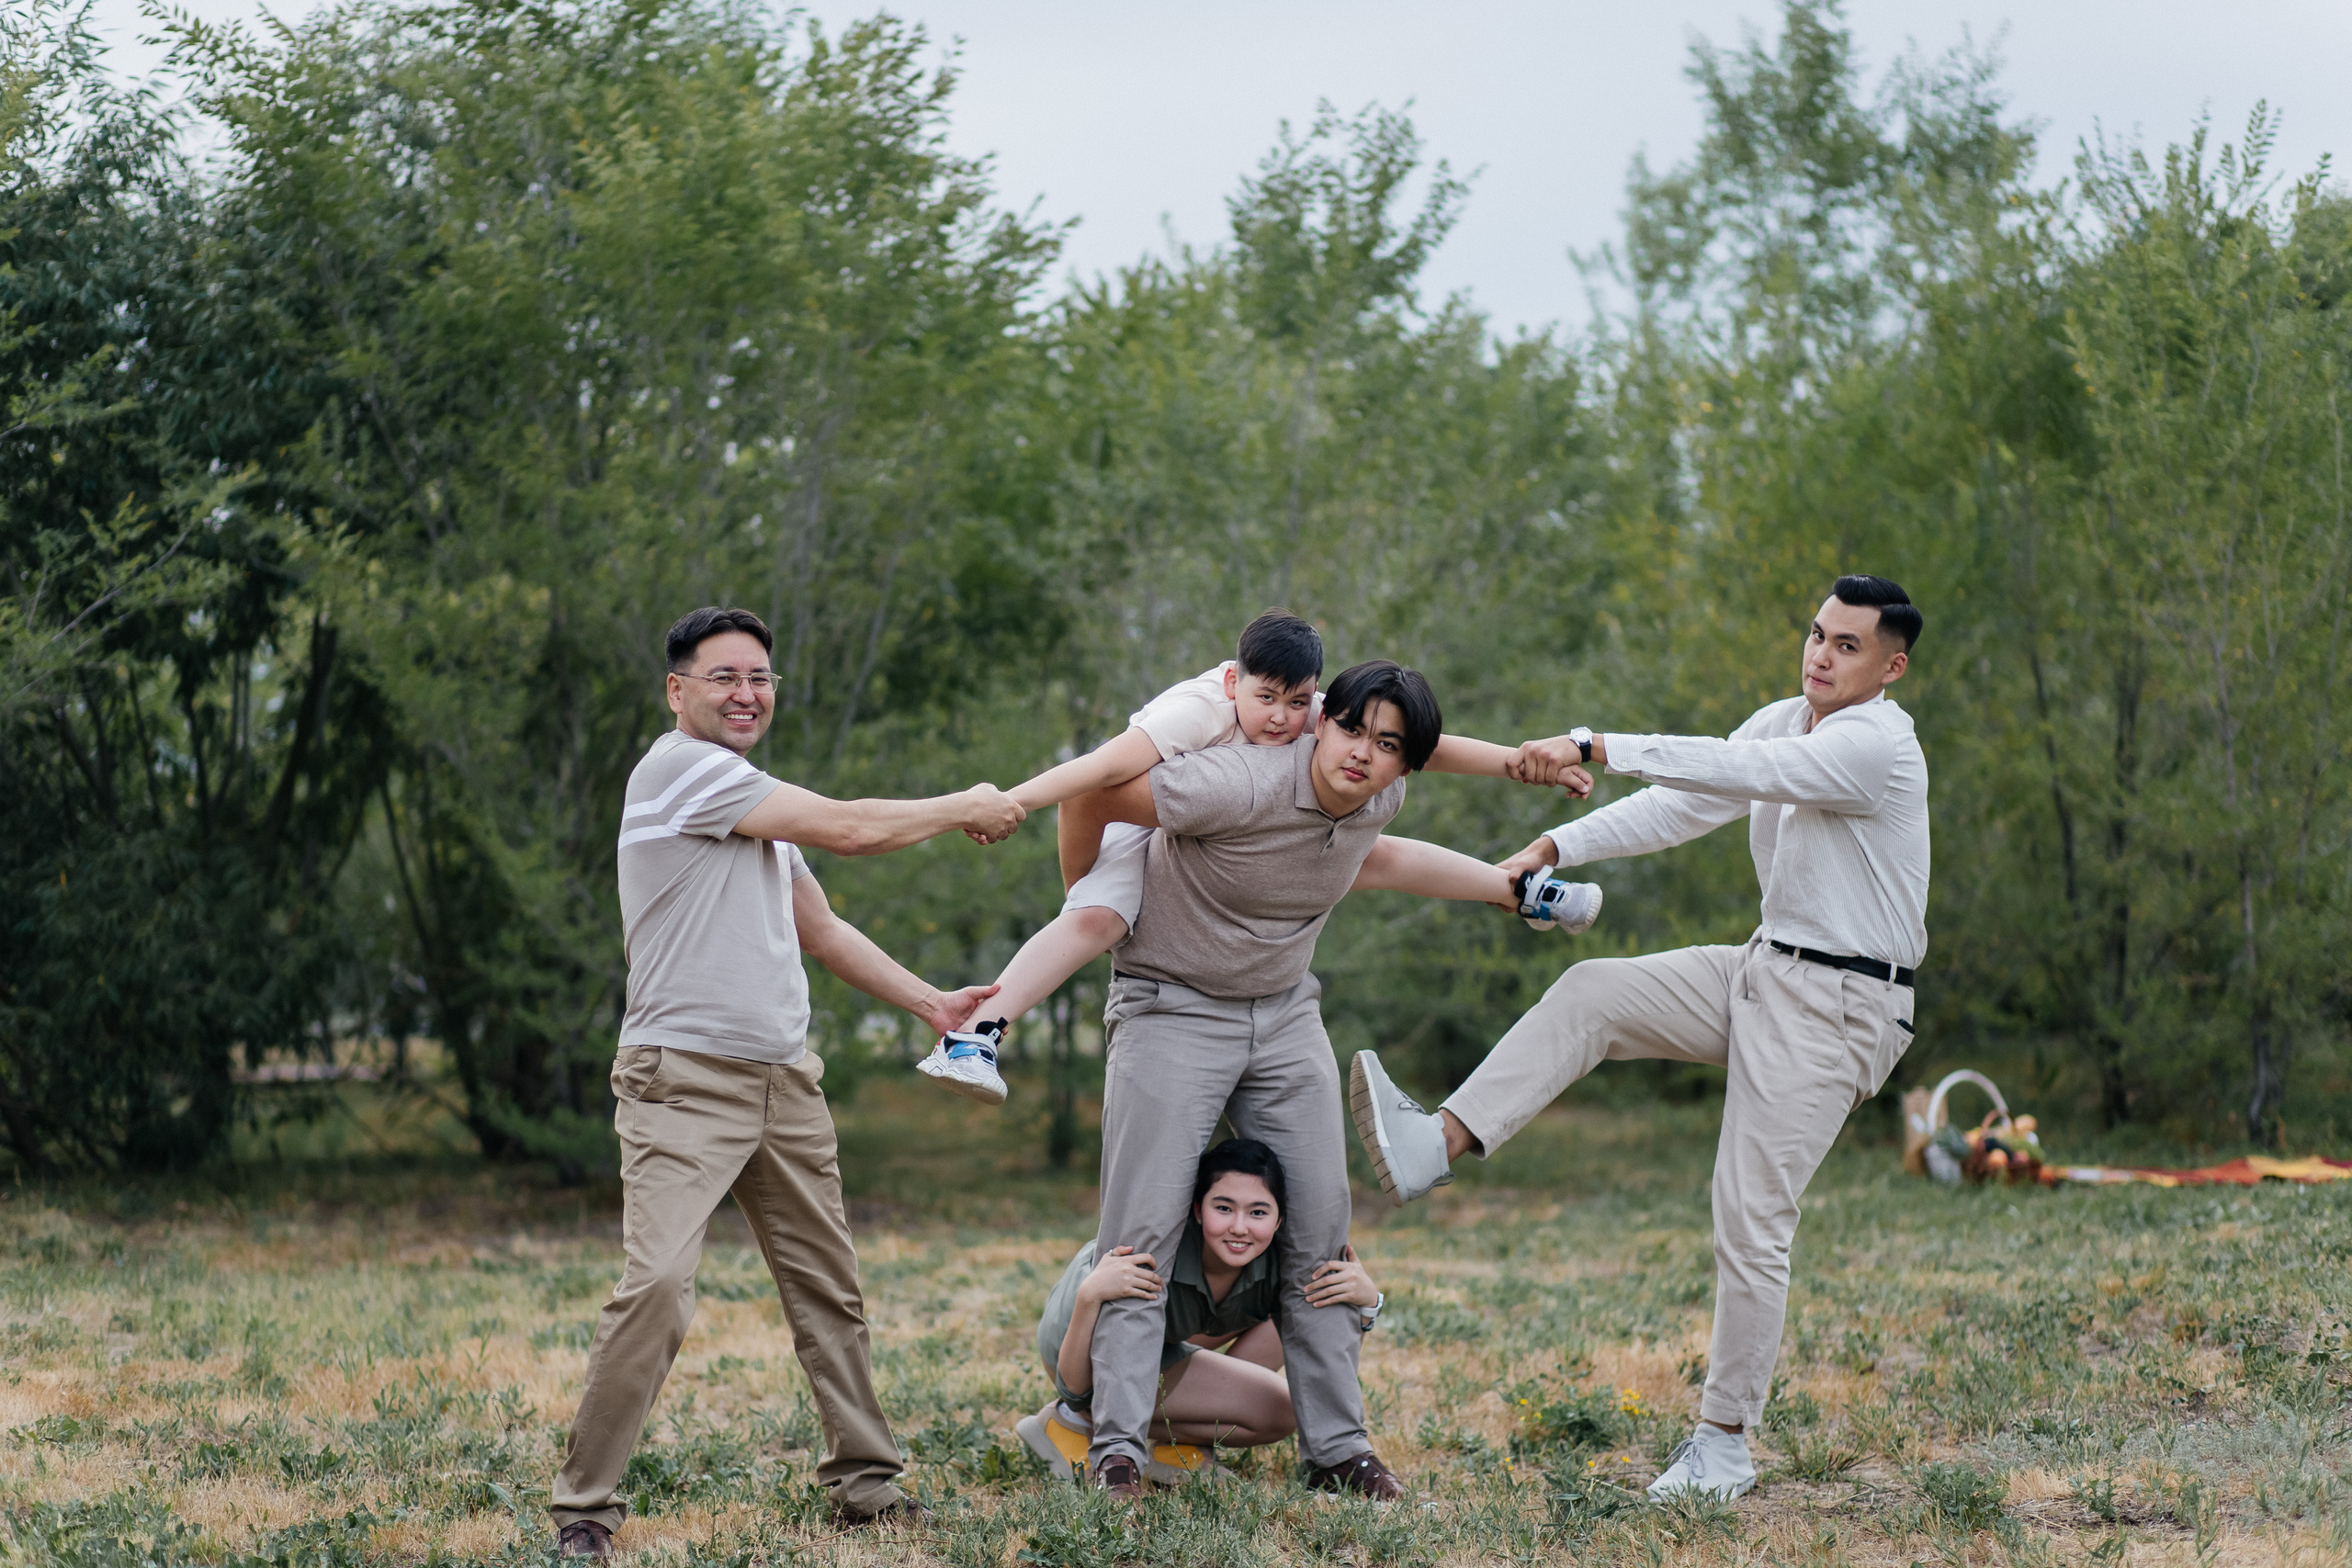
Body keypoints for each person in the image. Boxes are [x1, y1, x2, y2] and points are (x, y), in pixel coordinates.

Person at [1348, 575, 1929, 1505]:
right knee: (1595, 991)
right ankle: (1434, 1144)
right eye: (1816, 634)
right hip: (1764, 970)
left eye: (1846, 646)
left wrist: (1595, 745)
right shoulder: (1788, 718)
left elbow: (1733, 773)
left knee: (1749, 1218)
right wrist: (1555, 846)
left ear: (1889, 666)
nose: (1820, 655)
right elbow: (1684, 803)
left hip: (1840, 1005)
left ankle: (1725, 1445)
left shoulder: (1876, 748)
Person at [551, 607, 1027, 1559]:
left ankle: (867, 1486)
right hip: (682, 1080)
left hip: (784, 1082)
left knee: (829, 1292)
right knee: (656, 1290)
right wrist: (959, 805)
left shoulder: (751, 801)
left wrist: (929, 1003)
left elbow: (820, 928)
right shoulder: (679, 770)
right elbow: (851, 827)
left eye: (761, 677)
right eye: (725, 676)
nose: (746, 693)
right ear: (677, 690)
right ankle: (584, 1511)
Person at [1075, 659, 1599, 1501]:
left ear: (1404, 764)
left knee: (1320, 1225)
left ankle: (1338, 1452)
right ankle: (1118, 1450)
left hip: (1283, 1012)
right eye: (1350, 728)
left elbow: (1383, 856)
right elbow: (1097, 791)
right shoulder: (1236, 781)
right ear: (1321, 718)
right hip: (1174, 1005)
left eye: (1387, 745)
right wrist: (1086, 903)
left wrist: (1507, 874)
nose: (1362, 751)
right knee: (1139, 1231)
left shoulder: (1375, 795)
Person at [918, 610, 1603, 1106]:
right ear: (1230, 684)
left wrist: (1522, 764)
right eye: (1265, 698)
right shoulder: (1192, 720)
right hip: (1138, 820)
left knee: (1365, 853)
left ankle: (1516, 888)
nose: (1280, 717)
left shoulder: (1315, 714)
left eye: (1297, 702)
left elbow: (1425, 742)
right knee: (1097, 919)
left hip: (1226, 832)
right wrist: (1018, 814)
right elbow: (1094, 779)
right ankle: (974, 1033)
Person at [1016, 1139, 1381, 1484]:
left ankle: (1176, 1441)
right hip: (1077, 1351)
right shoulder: (1149, 1257)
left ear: (1280, 1220)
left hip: (1170, 1340)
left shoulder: (1279, 1262)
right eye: (1223, 1208)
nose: (1239, 1227)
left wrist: (1363, 1308)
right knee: (1280, 1408)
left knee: (1298, 1320)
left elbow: (1322, 1360)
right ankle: (1070, 1424)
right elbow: (1077, 1387)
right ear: (1197, 1210)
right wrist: (1089, 1296)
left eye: (1258, 1212)